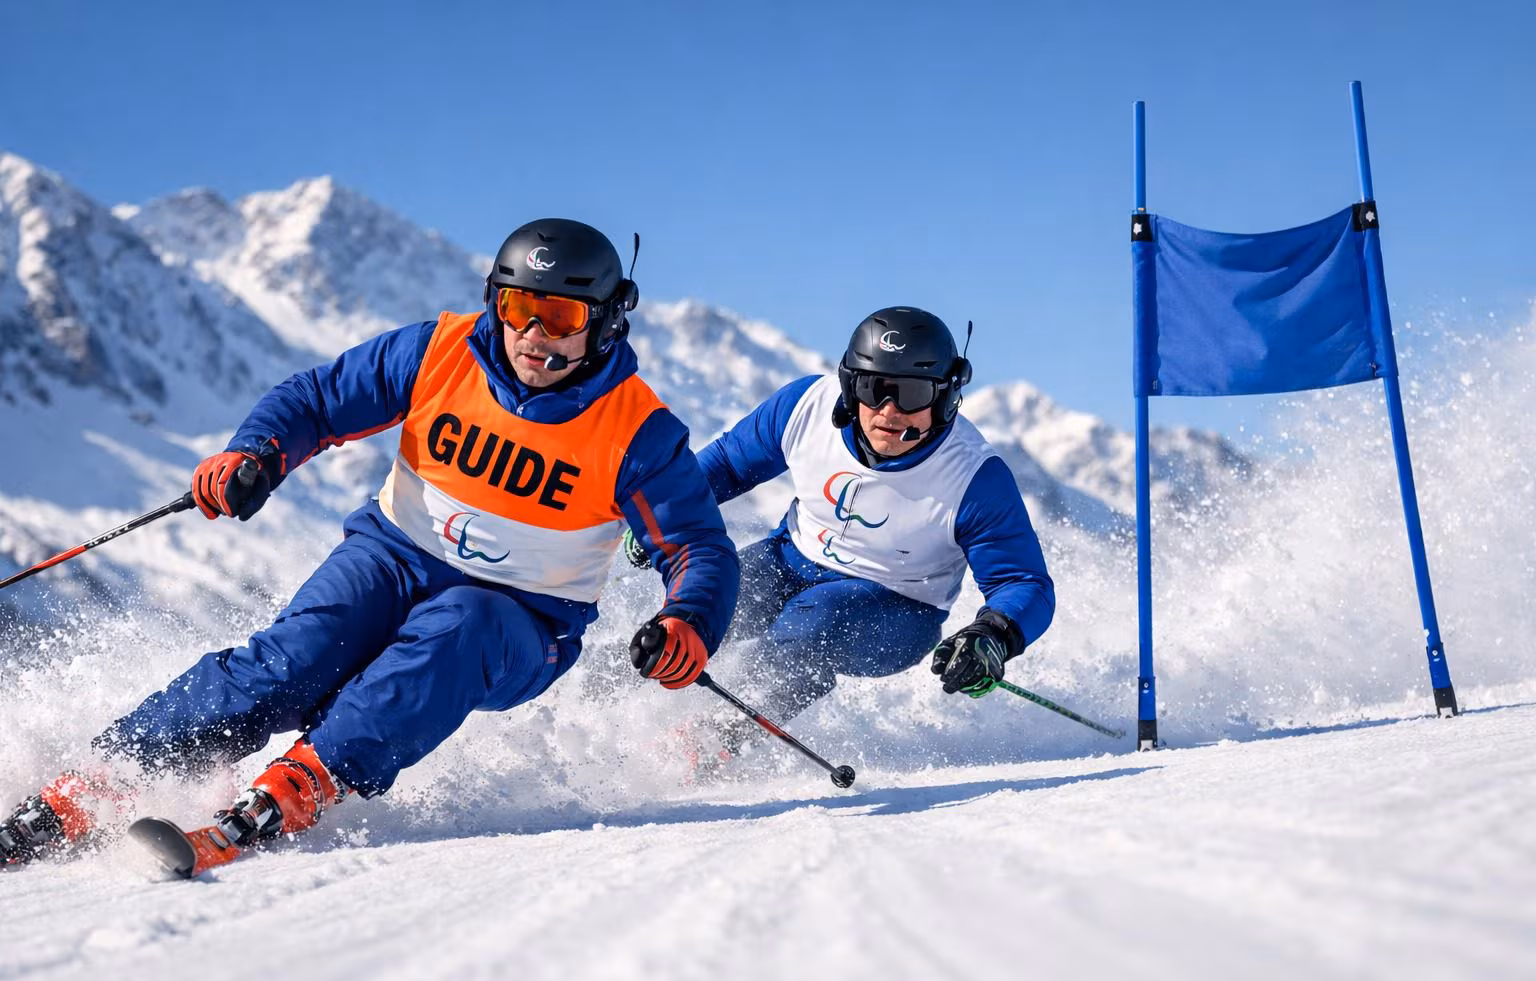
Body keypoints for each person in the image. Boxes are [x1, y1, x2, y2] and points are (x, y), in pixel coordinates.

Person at [1, 218, 738, 872]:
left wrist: (689, 621)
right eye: (517, 306)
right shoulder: (442, 350)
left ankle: (297, 786)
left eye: (561, 313)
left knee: (461, 627)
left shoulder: (637, 431)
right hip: (391, 558)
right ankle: (93, 782)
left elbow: (698, 548)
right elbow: (317, 400)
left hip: (524, 620)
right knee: (291, 661)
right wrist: (255, 453)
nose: (534, 334)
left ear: (606, 322)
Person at [634, 306, 1054, 761]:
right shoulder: (805, 407)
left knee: (814, 620)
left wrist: (991, 636)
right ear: (850, 385)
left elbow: (1022, 582)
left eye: (911, 394)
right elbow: (726, 465)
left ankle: (710, 743)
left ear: (946, 396)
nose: (889, 412)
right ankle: (600, 690)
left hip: (898, 608)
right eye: (873, 389)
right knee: (708, 596)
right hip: (789, 560)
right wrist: (663, 516)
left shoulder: (974, 477)